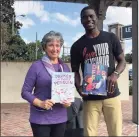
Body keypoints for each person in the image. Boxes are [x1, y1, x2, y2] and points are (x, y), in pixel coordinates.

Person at [70, 6, 126, 136]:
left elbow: (122, 61)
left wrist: (115, 75)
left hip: (111, 95)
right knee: (89, 134)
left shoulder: (111, 38)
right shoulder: (77, 45)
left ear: (96, 18)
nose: (88, 19)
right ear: (81, 21)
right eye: (85, 17)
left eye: (91, 16)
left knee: (116, 132)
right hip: (90, 98)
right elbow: (75, 71)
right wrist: (78, 88)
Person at [21, 31, 71, 137]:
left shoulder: (65, 68)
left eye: (57, 45)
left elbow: (67, 91)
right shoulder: (36, 66)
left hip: (60, 118)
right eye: (51, 45)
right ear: (44, 47)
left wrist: (67, 102)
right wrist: (40, 103)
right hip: (40, 119)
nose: (54, 49)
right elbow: (25, 92)